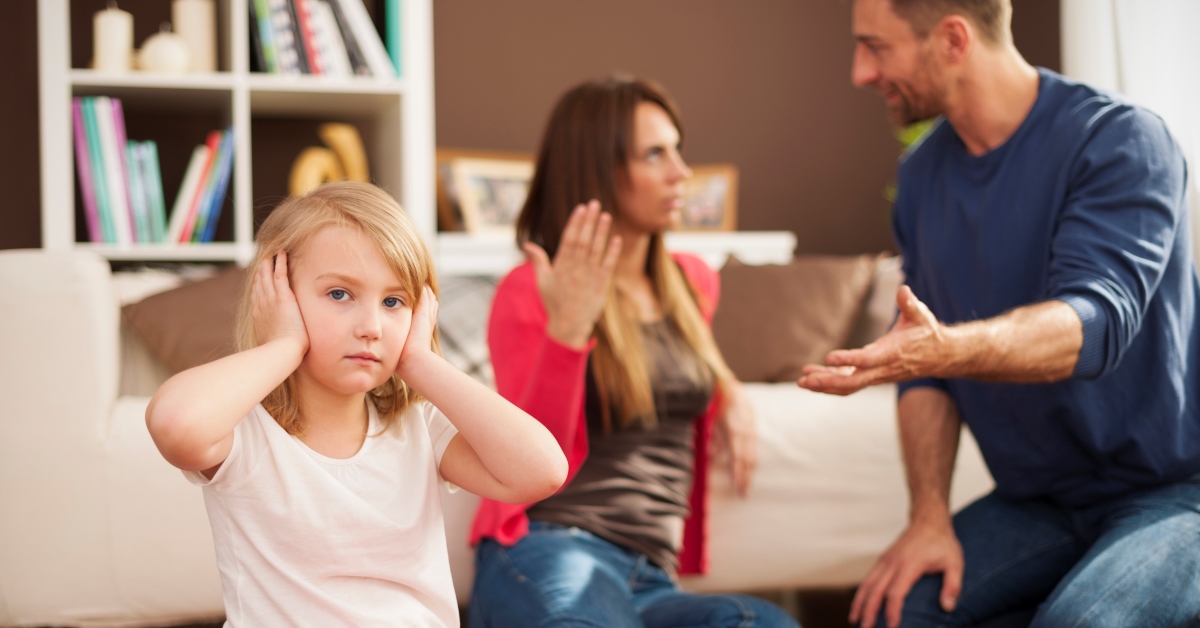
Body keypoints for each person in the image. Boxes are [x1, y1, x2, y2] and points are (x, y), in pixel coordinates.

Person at [797, 0, 1200, 626]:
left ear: (953, 39)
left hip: (1175, 493)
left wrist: (947, 350)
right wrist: (927, 518)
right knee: (889, 615)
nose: (860, 72)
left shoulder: (1120, 139)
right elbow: (925, 365)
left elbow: (1095, 327)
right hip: (1037, 502)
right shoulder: (922, 176)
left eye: (877, 46)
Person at [145, 182, 568, 626]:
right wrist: (286, 343)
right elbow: (176, 423)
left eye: (393, 301)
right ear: (277, 296)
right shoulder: (243, 432)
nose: (371, 326)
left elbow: (542, 472)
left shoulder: (418, 426)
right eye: (339, 294)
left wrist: (421, 363)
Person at [467, 77, 799, 627]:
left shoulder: (691, 282)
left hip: (652, 577)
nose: (681, 173)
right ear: (598, 170)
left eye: (677, 149)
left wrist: (732, 390)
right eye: (654, 154)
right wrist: (570, 328)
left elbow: (685, 369)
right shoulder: (529, 290)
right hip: (548, 548)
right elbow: (528, 457)